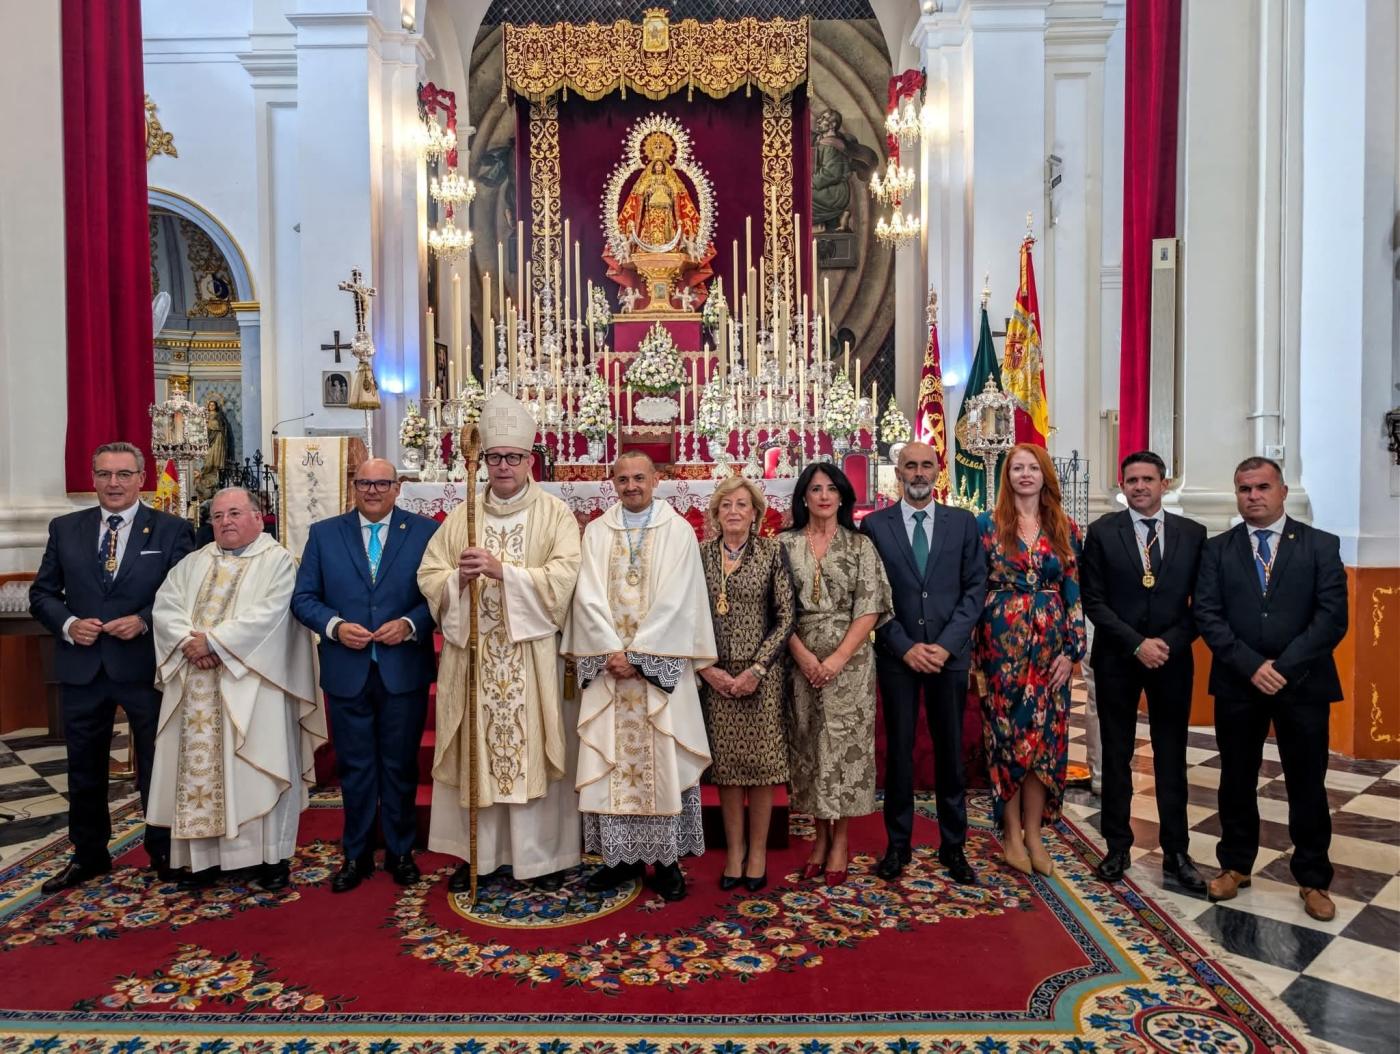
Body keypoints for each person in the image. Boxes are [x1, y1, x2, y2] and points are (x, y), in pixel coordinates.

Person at [418, 392, 583, 892]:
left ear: (529, 460)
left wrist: (503, 573)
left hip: (529, 658)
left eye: (512, 457)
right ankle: (480, 856)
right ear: (483, 460)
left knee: (529, 751)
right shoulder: (463, 515)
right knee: (478, 754)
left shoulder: (555, 514)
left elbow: (564, 577)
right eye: (494, 457)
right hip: (475, 660)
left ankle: (539, 859)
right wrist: (457, 583)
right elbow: (430, 573)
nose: (503, 466)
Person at [29, 442, 196, 893]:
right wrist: (67, 624)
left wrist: (143, 620)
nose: (114, 483)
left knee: (158, 765)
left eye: (123, 474)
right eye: (104, 474)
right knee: (83, 767)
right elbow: (42, 594)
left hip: (144, 666)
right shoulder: (65, 528)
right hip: (82, 667)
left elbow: (181, 595)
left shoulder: (171, 529)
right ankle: (89, 855)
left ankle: (164, 853)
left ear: (141, 478)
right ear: (93, 477)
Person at [148, 487, 324, 892]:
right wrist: (188, 643)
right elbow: (166, 607)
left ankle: (270, 858)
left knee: (258, 766)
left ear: (258, 518)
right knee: (198, 774)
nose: (226, 522)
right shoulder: (193, 562)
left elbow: (272, 614)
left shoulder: (278, 561)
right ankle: (205, 861)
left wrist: (214, 643)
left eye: (235, 513)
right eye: (218, 516)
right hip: (195, 683)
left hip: (255, 686)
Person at [1195, 457, 1348, 922]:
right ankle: (1236, 865)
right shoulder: (1218, 550)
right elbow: (1208, 614)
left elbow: (1331, 618)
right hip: (1240, 683)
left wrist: (1282, 667)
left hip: (1302, 684)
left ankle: (1313, 878)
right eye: (1244, 489)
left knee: (1307, 782)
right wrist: (1250, 665)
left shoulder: (1320, 545)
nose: (1253, 496)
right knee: (1236, 780)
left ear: (1282, 491)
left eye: (1262, 487)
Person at [562, 451, 715, 901]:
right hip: (610, 670)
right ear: (613, 482)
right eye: (623, 479)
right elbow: (585, 594)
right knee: (614, 763)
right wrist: (610, 650)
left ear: (656, 480)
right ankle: (621, 859)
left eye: (639, 478)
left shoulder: (678, 531)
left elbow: (679, 599)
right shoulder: (595, 532)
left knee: (663, 761)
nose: (631, 486)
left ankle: (666, 862)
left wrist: (641, 657)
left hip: (656, 673)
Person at [291, 458, 438, 892]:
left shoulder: (426, 532)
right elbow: (303, 598)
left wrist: (411, 624)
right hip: (347, 668)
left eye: (382, 483)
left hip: (402, 669)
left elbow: (440, 595)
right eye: (364, 483)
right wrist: (335, 626)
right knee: (355, 768)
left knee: (399, 766)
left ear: (398, 488)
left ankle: (399, 852)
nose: (373, 490)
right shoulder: (324, 534)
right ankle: (355, 854)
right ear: (353, 486)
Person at [1080, 450, 1207, 893]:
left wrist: (1166, 644)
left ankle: (1177, 851)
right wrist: (1136, 643)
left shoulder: (1194, 534)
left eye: (1148, 479)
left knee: (1171, 757)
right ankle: (1117, 846)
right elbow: (1093, 600)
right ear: (1123, 484)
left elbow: (1203, 605)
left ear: (1164, 483)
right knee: (1116, 756)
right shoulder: (1101, 532)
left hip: (1172, 660)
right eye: (1131, 479)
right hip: (1118, 657)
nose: (1139, 487)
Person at [860, 441, 985, 885]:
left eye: (925, 465)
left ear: (938, 470)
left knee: (951, 754)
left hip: (948, 660)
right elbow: (872, 595)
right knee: (899, 754)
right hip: (898, 658)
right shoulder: (875, 526)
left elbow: (975, 590)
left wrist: (948, 645)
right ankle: (898, 847)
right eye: (909, 465)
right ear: (897, 472)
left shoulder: (963, 523)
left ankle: (954, 846)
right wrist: (904, 645)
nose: (918, 473)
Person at [974, 444, 1087, 876]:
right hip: (1001, 644)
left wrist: (1072, 649)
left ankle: (1036, 835)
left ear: (1044, 475)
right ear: (1007, 476)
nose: (1025, 475)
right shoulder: (988, 526)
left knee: (1046, 741)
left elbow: (1075, 591)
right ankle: (1009, 834)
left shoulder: (1064, 526)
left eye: (1032, 468)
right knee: (1006, 738)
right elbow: (974, 586)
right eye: (1017, 468)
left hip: (1050, 649)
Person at [781, 462, 891, 887]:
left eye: (830, 488)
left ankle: (840, 840)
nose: (823, 496)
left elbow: (871, 605)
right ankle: (818, 837)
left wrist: (838, 659)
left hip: (851, 664)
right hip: (799, 659)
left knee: (844, 750)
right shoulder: (784, 545)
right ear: (803, 497)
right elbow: (776, 608)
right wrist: (804, 656)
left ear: (842, 496)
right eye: (814, 489)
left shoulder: (860, 545)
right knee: (808, 746)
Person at [697, 476, 796, 892]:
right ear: (716, 514)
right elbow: (686, 615)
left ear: (755, 513)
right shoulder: (699, 556)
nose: (734, 512)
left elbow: (786, 615)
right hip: (717, 678)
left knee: (761, 772)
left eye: (742, 505)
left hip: (762, 678)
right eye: (726, 505)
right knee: (728, 773)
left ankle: (757, 852)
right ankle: (734, 852)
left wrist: (757, 669)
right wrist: (707, 670)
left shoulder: (773, 552)